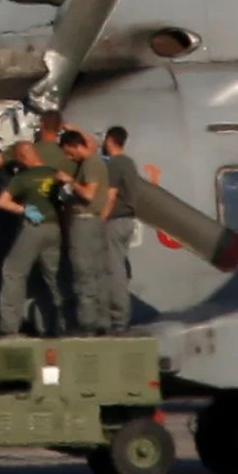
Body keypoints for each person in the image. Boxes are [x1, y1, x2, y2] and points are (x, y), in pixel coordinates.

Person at [0, 138, 68, 336]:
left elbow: (2, 202)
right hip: (54, 230)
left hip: (33, 229)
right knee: (54, 278)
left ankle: (9, 328)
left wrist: (23, 209)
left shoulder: (23, 178)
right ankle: (64, 324)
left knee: (13, 272)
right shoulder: (53, 173)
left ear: (23, 157)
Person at [59, 127, 126, 332]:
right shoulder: (96, 161)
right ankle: (103, 321)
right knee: (99, 274)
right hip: (96, 222)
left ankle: (87, 323)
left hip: (84, 223)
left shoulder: (89, 164)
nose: (69, 157)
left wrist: (69, 182)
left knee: (84, 274)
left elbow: (88, 194)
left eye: (69, 152)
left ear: (75, 146)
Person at [102, 126, 142, 326]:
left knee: (114, 269)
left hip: (115, 221)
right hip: (128, 221)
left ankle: (118, 318)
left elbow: (111, 194)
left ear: (110, 140)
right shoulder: (130, 163)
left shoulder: (115, 164)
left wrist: (102, 217)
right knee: (120, 265)